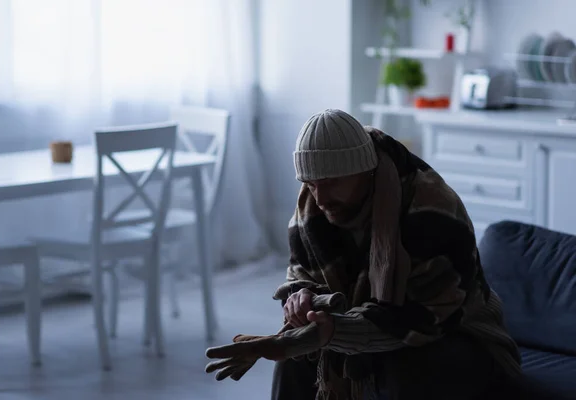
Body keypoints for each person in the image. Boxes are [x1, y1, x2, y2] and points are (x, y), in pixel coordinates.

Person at [205, 109, 522, 400]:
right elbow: (300, 274)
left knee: (404, 368)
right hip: (369, 324)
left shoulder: (430, 209)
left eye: (330, 183)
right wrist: (301, 298)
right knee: (293, 362)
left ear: (366, 171)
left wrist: (329, 332)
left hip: (461, 336)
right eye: (311, 184)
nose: (321, 198)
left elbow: (425, 318)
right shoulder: (313, 203)